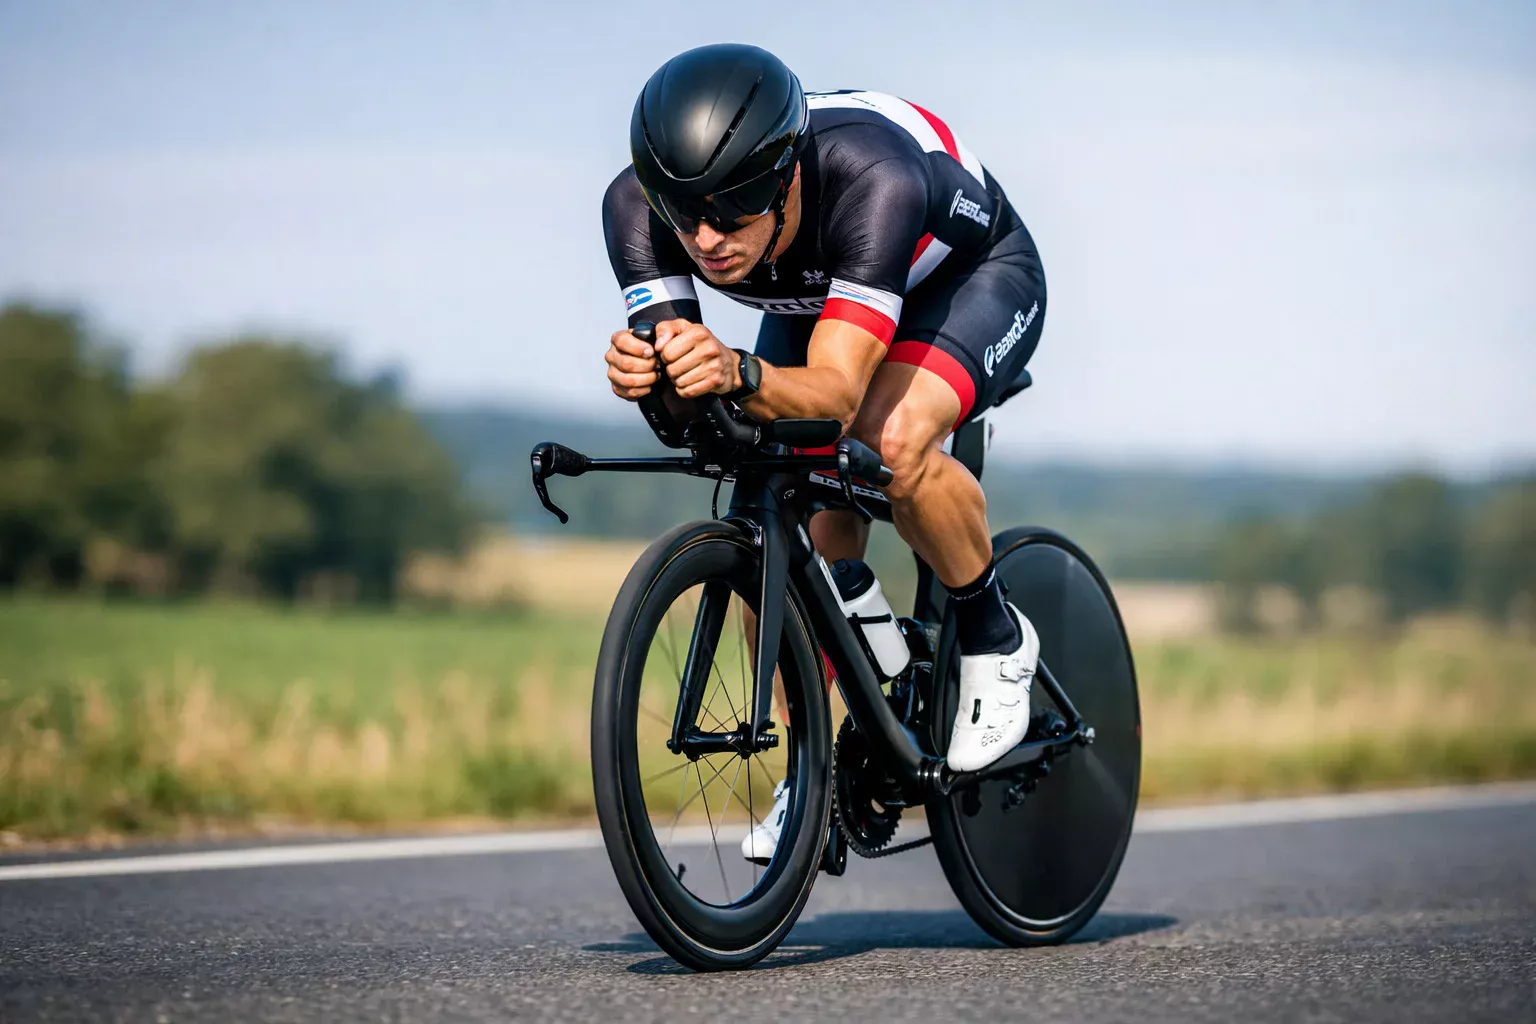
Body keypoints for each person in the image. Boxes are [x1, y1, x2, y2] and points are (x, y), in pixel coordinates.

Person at [602, 44, 1045, 862]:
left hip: (966, 278)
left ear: (785, 178)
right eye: (684, 216)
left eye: (731, 215)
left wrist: (734, 368)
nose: (705, 241)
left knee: (888, 441)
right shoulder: (635, 207)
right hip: (817, 292)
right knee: (777, 486)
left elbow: (837, 395)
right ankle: (813, 754)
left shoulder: (872, 177)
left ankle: (994, 634)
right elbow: (686, 415)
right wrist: (652, 379)